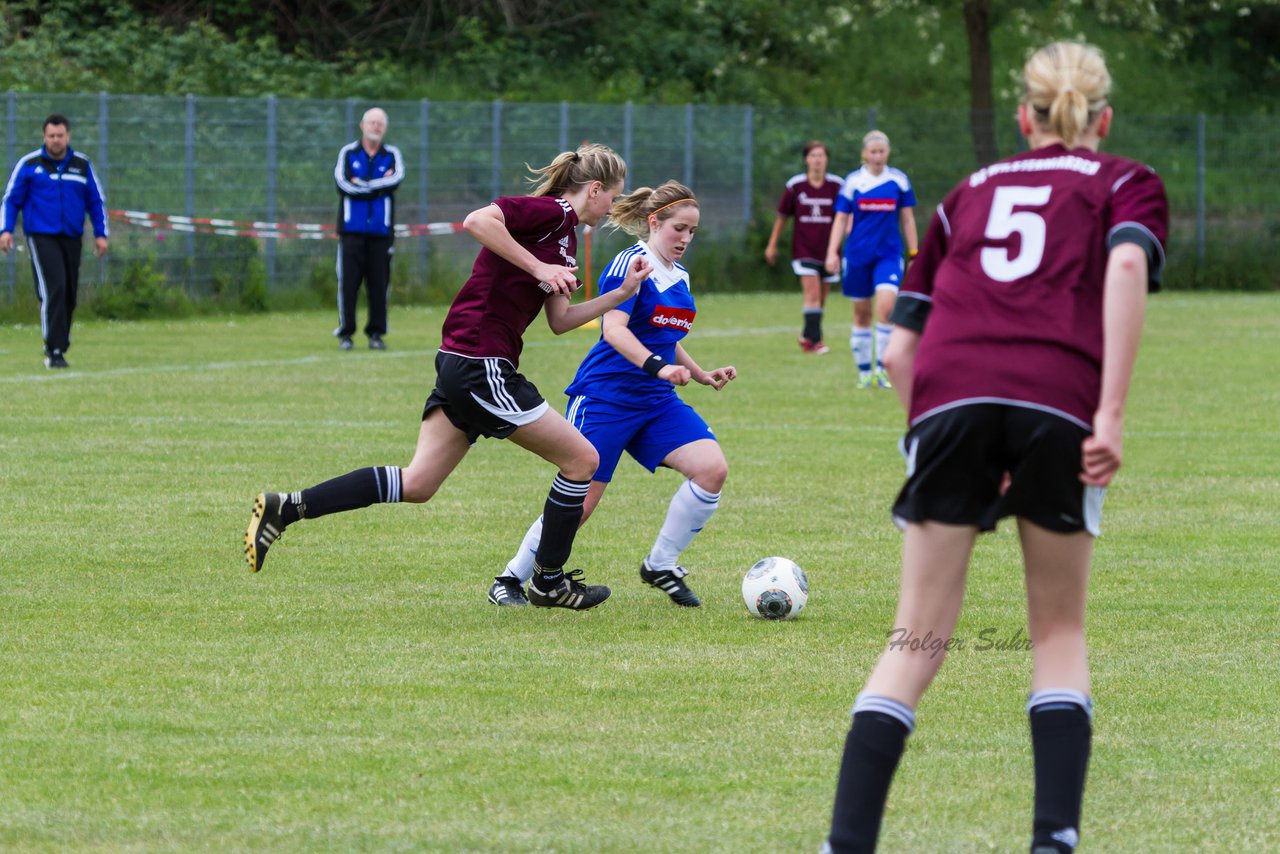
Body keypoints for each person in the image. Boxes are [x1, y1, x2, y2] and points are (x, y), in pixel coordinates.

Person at [822, 41, 1168, 854]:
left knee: (914, 641)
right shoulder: (1126, 179)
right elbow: (1124, 265)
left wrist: (940, 434)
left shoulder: (966, 192)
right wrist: (1109, 414)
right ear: (1102, 118)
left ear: (1023, 116)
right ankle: (1052, 841)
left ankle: (846, 845)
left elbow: (900, 351)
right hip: (1057, 401)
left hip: (948, 398)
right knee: (1056, 635)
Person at [246, 143, 651, 611]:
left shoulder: (565, 236)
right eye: (612, 197)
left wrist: (621, 292)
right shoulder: (551, 211)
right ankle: (548, 582)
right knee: (582, 461)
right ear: (595, 190)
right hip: (482, 363)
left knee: (418, 484)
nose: (612, 208)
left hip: (465, 361)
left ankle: (286, 507)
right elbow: (478, 221)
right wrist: (538, 266)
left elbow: (560, 320)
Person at [490, 181, 737, 608]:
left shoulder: (680, 276)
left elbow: (664, 336)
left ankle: (661, 563)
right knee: (580, 504)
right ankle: (509, 579)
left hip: (655, 401)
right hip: (606, 397)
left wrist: (698, 373)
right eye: (679, 228)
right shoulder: (631, 262)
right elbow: (614, 329)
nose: (685, 239)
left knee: (711, 469)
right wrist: (660, 368)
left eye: (692, 232)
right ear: (654, 222)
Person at [0, 114, 108, 369]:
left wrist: (101, 234)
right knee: (54, 288)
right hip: (41, 236)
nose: (56, 140)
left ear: (67, 136)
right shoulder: (29, 165)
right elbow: (11, 199)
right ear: (44, 137)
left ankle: (60, 342)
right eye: (51, 136)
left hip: (71, 236)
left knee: (69, 293)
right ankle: (54, 349)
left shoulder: (82, 165)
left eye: (60, 136)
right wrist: (5, 230)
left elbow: (95, 201)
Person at [824, 130, 918, 389]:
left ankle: (882, 369)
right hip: (857, 256)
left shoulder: (899, 181)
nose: (877, 156)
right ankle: (865, 372)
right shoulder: (853, 182)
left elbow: (908, 218)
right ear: (865, 154)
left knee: (886, 309)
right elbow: (841, 218)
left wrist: (914, 253)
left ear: (888, 153)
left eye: (882, 151)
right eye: (873, 151)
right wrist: (833, 251)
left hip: (888, 255)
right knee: (861, 313)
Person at [332, 107, 404, 350]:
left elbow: (396, 180)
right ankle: (346, 333)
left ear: (384, 128)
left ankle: (376, 334)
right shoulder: (348, 153)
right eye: (372, 122)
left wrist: (361, 184)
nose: (376, 127)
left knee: (378, 285)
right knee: (348, 284)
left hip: (381, 234)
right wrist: (377, 187)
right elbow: (343, 184)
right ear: (363, 125)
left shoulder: (392, 154)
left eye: (380, 123)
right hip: (351, 232)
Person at [764, 140, 844, 354]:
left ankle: (806, 336)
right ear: (806, 159)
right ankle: (817, 342)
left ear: (826, 159)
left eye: (821, 156)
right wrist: (772, 245)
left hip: (829, 252)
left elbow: (846, 217)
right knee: (812, 295)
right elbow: (782, 217)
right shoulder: (796, 186)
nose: (818, 160)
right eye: (813, 156)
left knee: (821, 300)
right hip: (804, 250)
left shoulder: (838, 186)